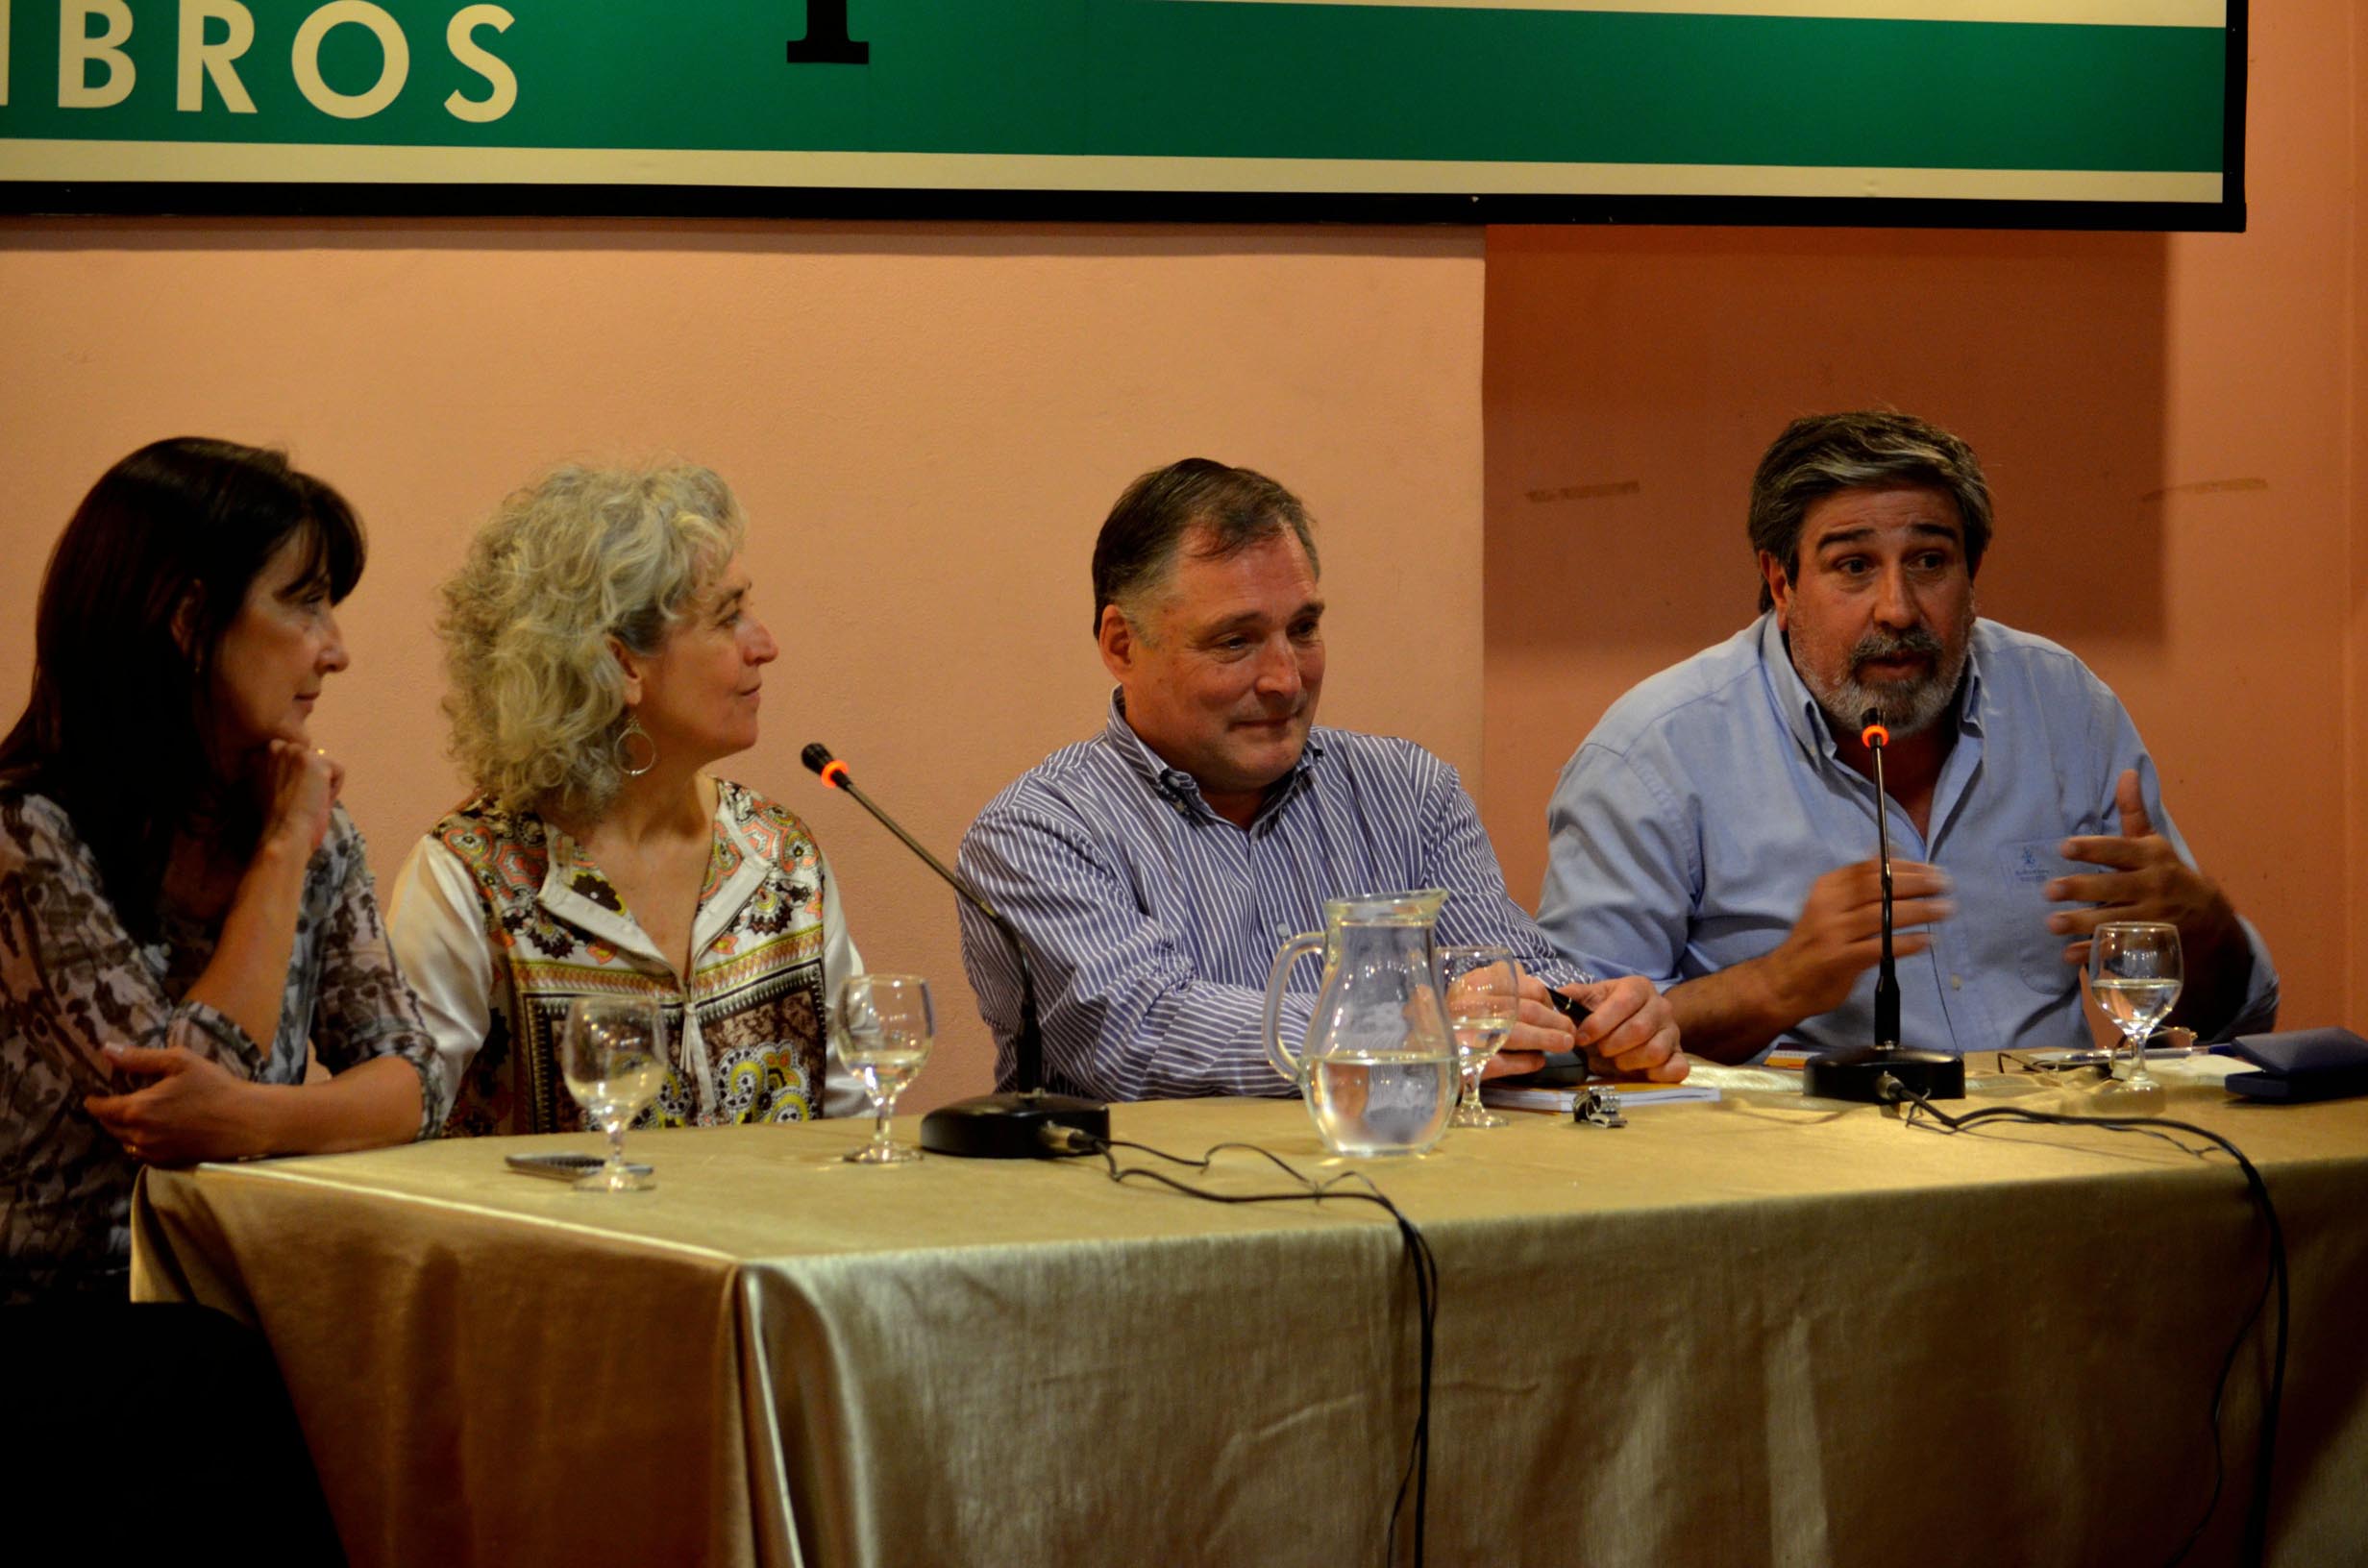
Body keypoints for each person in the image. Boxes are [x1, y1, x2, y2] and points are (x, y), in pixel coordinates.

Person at [1537, 411, 2279, 1063]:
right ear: (1782, 580)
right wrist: (1776, 984)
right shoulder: (1654, 752)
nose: (1897, 608)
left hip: (2048, 1162)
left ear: (1973, 572)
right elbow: (1576, 1041)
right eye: (1853, 566)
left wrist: (2208, 935)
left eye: (1929, 562)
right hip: (1796, 1192)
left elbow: (2224, 1022)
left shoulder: (2063, 706)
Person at [956, 458, 1683, 1102]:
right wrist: (1409, 1025)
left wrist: (1596, 1018)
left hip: (1416, 1201)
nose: (1284, 679)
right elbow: (1138, 1034)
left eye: (1302, 629)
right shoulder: (1037, 833)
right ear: (1122, 645)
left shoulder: (1409, 793)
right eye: (1234, 641)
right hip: (1153, 1224)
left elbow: (1501, 982)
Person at [0, 438, 447, 1306]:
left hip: (244, 1302)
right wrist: (280, 858)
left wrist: (258, 1121)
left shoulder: (305, 815)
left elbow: (415, 1079)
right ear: (190, 620)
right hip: (60, 1327)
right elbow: (169, 1104)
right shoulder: (28, 833)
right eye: (305, 606)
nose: (336, 650)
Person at [387, 463, 863, 1133]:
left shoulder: (781, 858)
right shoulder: (471, 877)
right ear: (621, 666)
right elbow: (401, 1132)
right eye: (728, 618)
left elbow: (856, 1118)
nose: (767, 646)